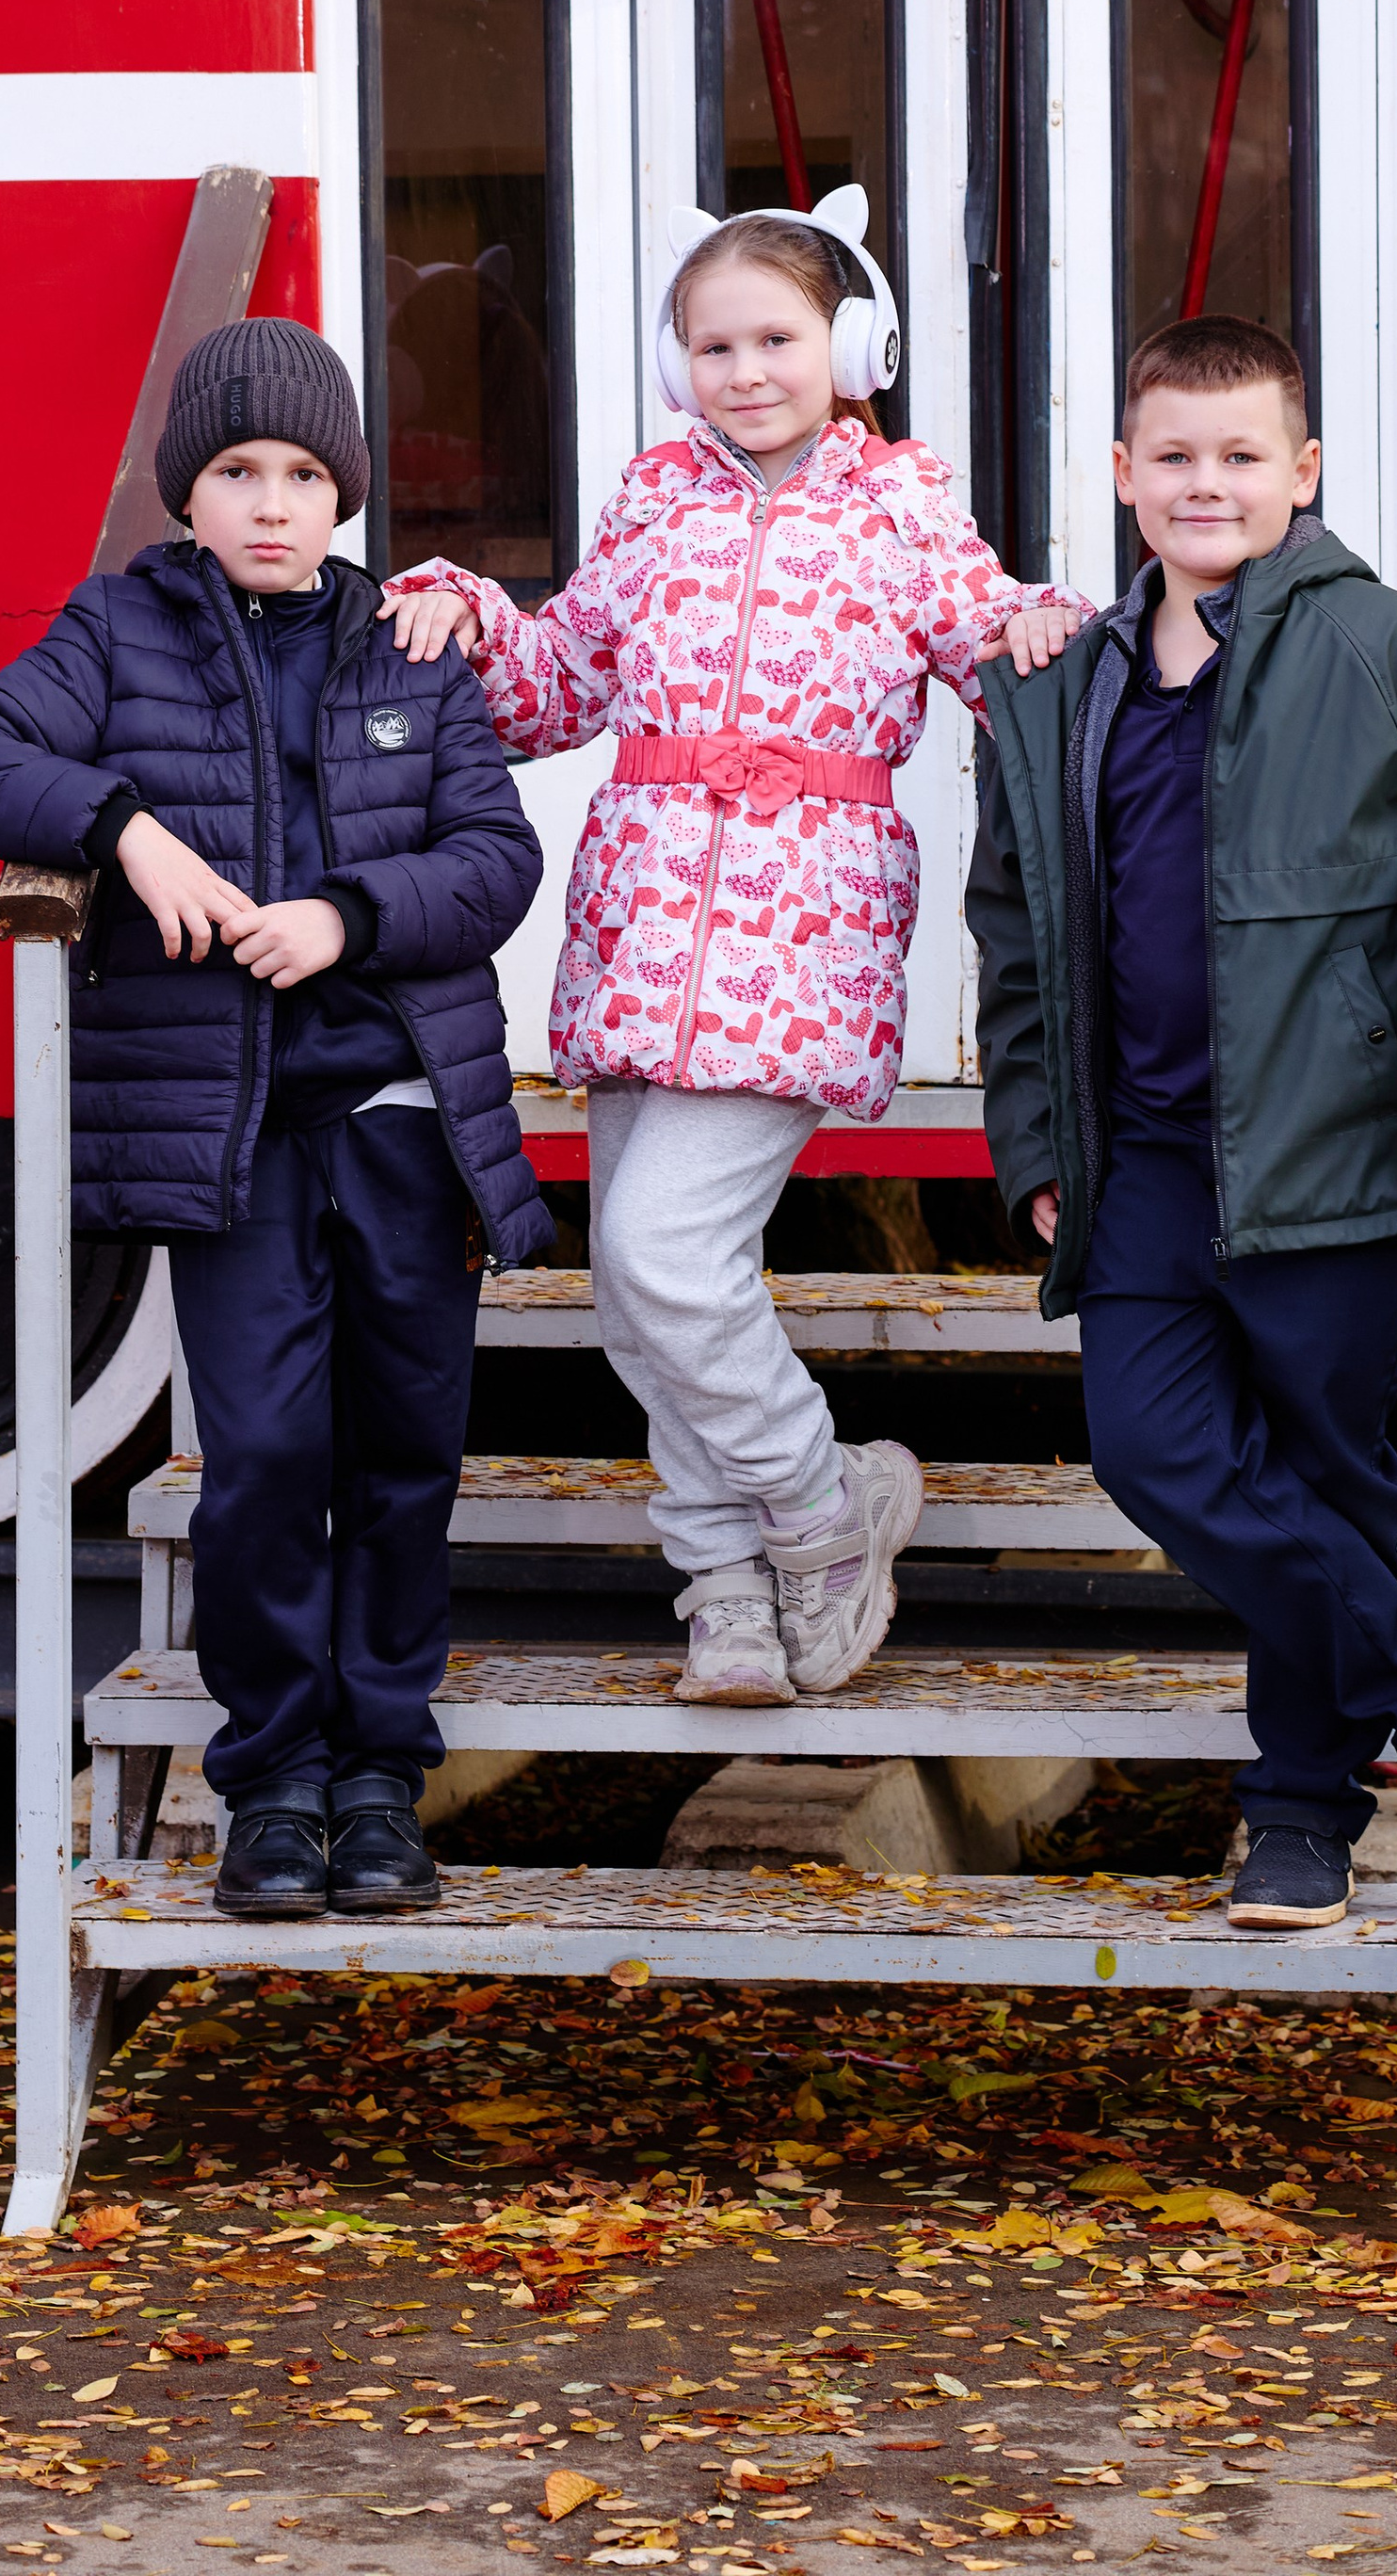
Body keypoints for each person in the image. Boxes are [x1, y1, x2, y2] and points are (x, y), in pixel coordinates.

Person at [384, 191, 1090, 1707]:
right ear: (673, 361)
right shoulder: (653, 502)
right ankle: (726, 1593)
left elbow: (990, 632)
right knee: (642, 1292)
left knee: (660, 1253)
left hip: (797, 942)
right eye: (715, 344)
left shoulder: (904, 507)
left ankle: (828, 1509)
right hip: (641, 932)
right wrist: (461, 612)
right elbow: (559, 683)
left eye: (777, 337)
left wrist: (1049, 628)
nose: (747, 369)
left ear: (851, 346)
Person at [967, 313, 1397, 1925]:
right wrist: (1039, 1136)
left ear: (1301, 473)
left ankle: (1302, 1818)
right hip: (1146, 1161)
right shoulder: (1066, 688)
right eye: (1174, 456)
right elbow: (1020, 931)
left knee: (1326, 1479)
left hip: (1343, 1148)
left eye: (1243, 455)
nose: (1208, 483)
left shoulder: (1384, 645)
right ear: (1123, 475)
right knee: (1152, 1448)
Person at [0, 316, 551, 1923]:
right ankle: (270, 1779)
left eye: (303, 474)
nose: (273, 504)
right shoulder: (116, 632)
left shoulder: (408, 643)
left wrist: (346, 915)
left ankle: (379, 1783)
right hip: (238, 1131)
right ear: (182, 491)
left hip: (405, 1119)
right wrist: (121, 829)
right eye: (234, 472)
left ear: (341, 489)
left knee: (405, 1457)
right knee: (266, 1456)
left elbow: (496, 860)